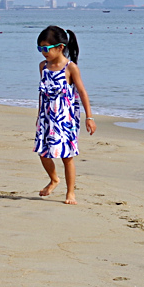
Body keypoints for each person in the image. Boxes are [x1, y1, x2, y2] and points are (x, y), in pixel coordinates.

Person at [33, 25, 95, 204]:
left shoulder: (70, 67)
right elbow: (42, 93)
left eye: (46, 48)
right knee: (43, 153)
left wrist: (89, 118)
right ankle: (54, 179)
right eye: (40, 48)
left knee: (67, 157)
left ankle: (70, 193)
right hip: (46, 118)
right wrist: (39, 116)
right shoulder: (43, 66)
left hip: (64, 119)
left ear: (60, 47)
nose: (43, 52)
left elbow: (82, 92)